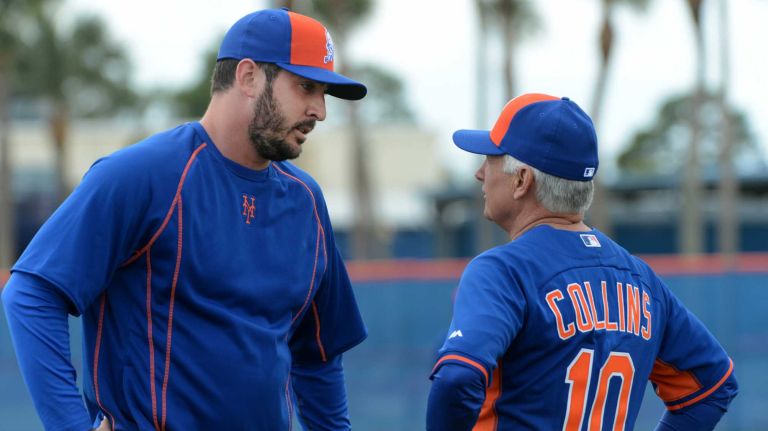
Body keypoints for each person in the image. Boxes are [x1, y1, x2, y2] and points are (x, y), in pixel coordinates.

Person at [2, 8, 368, 431]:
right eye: (306, 87)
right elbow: (31, 296)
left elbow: (318, 355)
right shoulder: (142, 175)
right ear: (248, 76)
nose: (319, 110)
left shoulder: (306, 200)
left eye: (323, 93)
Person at [426, 93, 738, 430]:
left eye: (492, 158)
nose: (480, 173)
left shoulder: (503, 270)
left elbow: (457, 378)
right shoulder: (640, 280)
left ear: (522, 180)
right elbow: (713, 386)